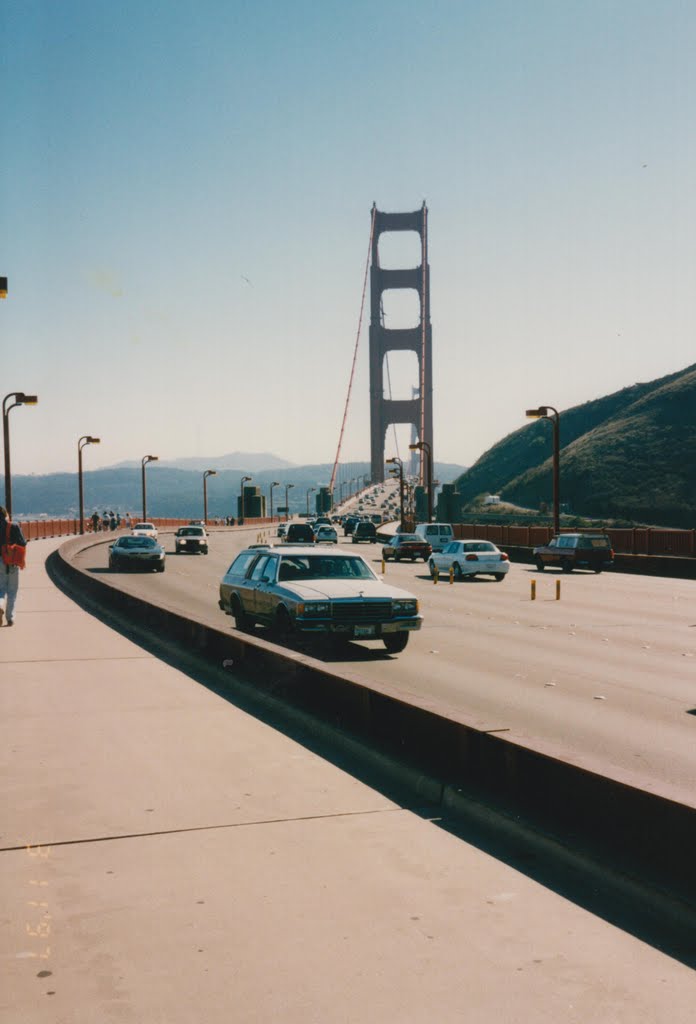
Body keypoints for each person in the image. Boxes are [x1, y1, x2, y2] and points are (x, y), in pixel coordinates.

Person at [0, 506, 27, 627]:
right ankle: (10, 618)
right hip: (12, 561)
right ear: (5, 514)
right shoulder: (13, 526)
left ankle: (0, 605)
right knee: (12, 590)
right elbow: (23, 543)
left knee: (1, 589)